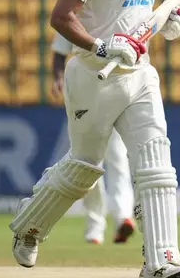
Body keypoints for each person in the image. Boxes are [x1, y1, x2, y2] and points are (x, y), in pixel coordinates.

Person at [8, 0, 180, 277]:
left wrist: (171, 23)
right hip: (94, 75)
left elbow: (137, 24)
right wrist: (102, 47)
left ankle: (163, 260)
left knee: (157, 164)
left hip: (140, 75)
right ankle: (29, 226)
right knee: (84, 168)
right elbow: (61, 17)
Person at [50, 32, 136, 245]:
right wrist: (58, 78)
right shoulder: (78, 17)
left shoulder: (117, 12)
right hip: (85, 97)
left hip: (115, 94)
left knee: (116, 161)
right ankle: (98, 225)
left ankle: (121, 219)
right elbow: (60, 50)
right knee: (89, 164)